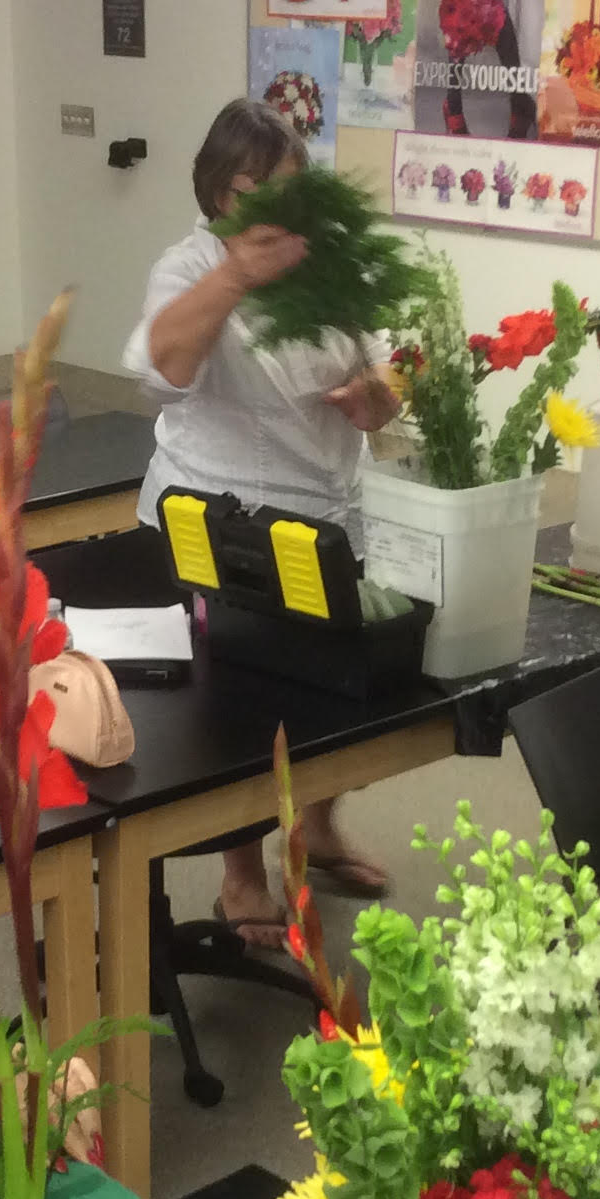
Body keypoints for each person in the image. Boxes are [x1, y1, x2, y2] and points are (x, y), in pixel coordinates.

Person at [124, 99, 404, 943]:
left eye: (285, 190)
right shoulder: (189, 267)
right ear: (217, 193)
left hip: (325, 513)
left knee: (332, 690)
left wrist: (377, 398)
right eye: (249, 192)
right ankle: (241, 876)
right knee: (237, 712)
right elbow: (159, 369)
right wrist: (235, 276)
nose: (270, 213)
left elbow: (388, 368)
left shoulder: (329, 263)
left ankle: (315, 830)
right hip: (221, 523)